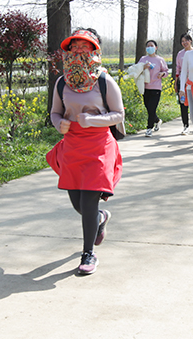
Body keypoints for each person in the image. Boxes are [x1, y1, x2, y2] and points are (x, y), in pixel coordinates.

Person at [49, 28, 123, 275]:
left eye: (85, 47)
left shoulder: (104, 81)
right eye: (74, 47)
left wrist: (95, 121)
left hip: (99, 147)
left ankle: (88, 253)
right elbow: (55, 112)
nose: (79, 52)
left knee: (89, 201)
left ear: (95, 51)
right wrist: (59, 123)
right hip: (72, 147)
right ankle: (100, 219)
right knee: (79, 204)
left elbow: (119, 115)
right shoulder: (62, 83)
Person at [138, 40, 169, 137]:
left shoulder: (160, 60)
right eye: (148, 46)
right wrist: (143, 67)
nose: (150, 47)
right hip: (145, 87)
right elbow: (136, 69)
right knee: (149, 108)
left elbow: (166, 71)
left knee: (152, 108)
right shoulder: (143, 59)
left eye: (152, 46)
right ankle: (157, 120)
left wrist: (162, 74)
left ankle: (149, 128)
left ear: (156, 48)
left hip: (156, 87)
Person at [174, 33, 193, 135]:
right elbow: (178, 68)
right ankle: (186, 125)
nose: (185, 43)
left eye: (186, 40)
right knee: (183, 104)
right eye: (183, 41)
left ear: (190, 41)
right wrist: (176, 82)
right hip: (182, 81)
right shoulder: (180, 54)